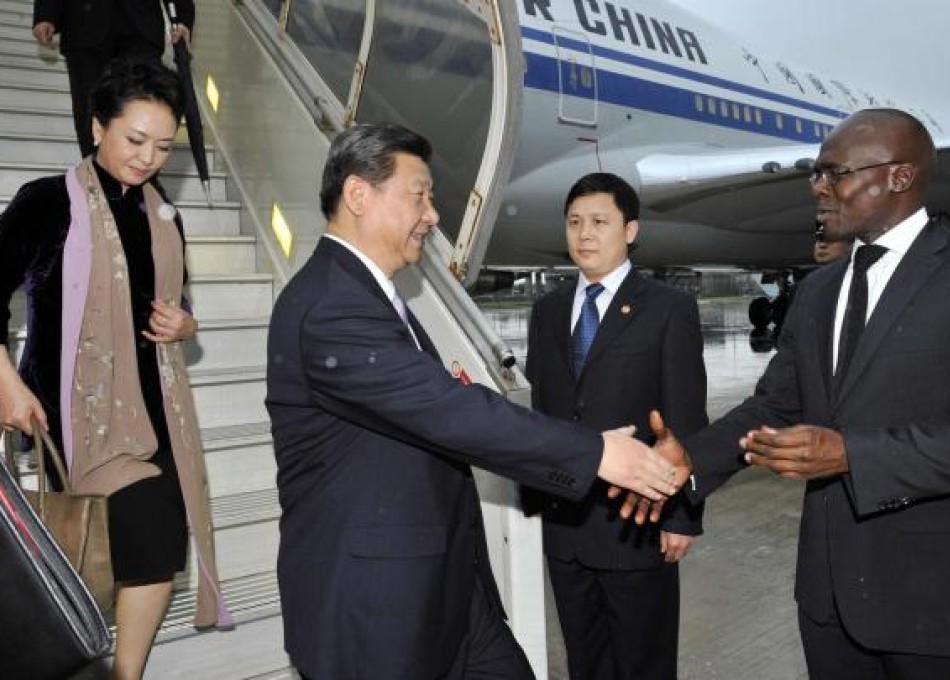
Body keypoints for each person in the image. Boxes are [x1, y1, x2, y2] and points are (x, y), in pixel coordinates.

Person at [265, 123, 682, 680]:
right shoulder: (330, 305)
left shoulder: (372, 296)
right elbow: (445, 410)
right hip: (377, 605)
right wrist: (597, 454)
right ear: (359, 195)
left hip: (447, 588)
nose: (433, 215)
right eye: (420, 195)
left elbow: (438, 403)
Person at [639, 108, 950, 679]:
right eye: (816, 173)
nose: (817, 188)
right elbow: (773, 405)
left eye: (833, 172)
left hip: (943, 606)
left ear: (898, 177)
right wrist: (693, 459)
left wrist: (849, 453)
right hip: (829, 603)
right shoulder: (817, 291)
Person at [0, 59, 230, 680]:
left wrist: (187, 325)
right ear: (98, 126)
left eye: (162, 145)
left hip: (158, 409)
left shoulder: (165, 218)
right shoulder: (47, 202)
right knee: (149, 530)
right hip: (74, 411)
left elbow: (176, 306)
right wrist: (6, 381)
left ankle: (122, 673)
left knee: (150, 546)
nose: (149, 157)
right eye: (135, 139)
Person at [522, 172, 707, 679]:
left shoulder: (669, 309)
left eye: (599, 222)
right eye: (575, 222)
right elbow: (545, 411)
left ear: (630, 230)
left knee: (642, 663)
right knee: (586, 662)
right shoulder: (548, 310)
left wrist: (682, 515)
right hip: (565, 523)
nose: (585, 234)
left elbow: (686, 418)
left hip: (636, 524)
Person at [32, 0, 195, 157]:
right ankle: (98, 175)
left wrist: (182, 17)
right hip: (83, 23)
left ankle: (141, 179)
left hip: (141, 26)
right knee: (89, 107)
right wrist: (46, 13)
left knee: (146, 104)